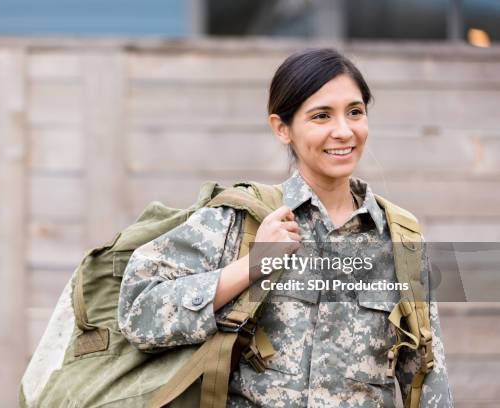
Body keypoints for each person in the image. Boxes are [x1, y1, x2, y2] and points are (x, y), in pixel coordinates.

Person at [117, 48, 453, 407]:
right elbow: (138, 311)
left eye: (355, 112)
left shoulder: (399, 239)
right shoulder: (240, 220)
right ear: (282, 129)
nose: (343, 131)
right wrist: (249, 267)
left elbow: (427, 375)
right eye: (321, 116)